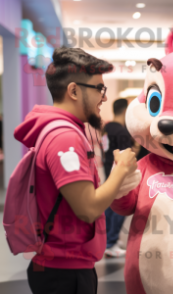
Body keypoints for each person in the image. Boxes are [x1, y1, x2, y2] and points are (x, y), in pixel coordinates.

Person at [13, 47, 138, 294]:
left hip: (61, 265)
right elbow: (88, 209)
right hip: (64, 271)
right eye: (99, 89)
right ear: (73, 90)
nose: (104, 98)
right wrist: (121, 170)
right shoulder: (65, 138)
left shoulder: (57, 130)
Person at [103, 98, 136, 257]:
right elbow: (126, 157)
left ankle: (108, 240)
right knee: (119, 207)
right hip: (119, 173)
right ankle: (111, 241)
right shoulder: (122, 132)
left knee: (109, 205)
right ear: (125, 110)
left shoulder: (107, 128)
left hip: (108, 169)